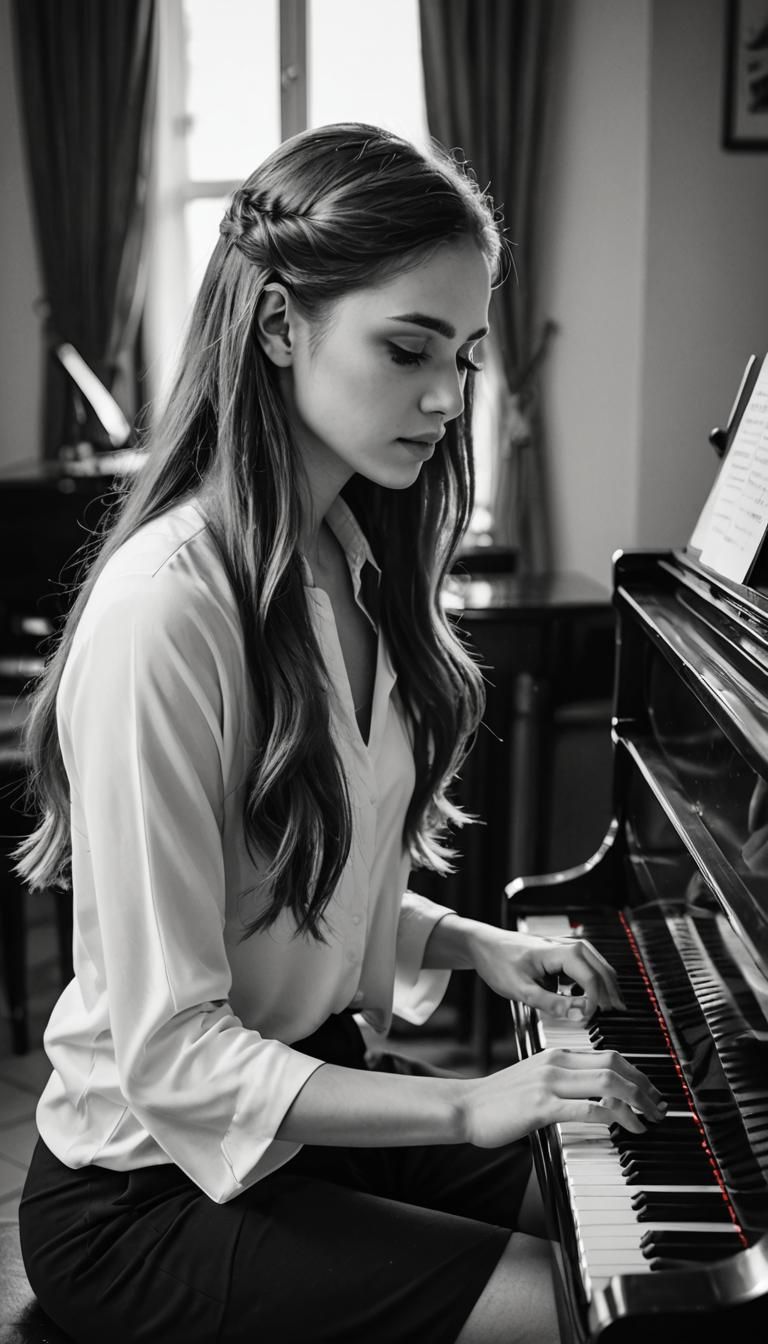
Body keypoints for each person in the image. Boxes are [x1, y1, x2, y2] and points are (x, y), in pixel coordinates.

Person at [15, 123, 665, 1344]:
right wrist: (476, 1107)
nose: (444, 397)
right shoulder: (169, 610)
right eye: (408, 348)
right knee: (588, 1317)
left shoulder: (353, 562)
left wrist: (465, 940)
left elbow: (289, 877)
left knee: (648, 1239)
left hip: (301, 1116)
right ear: (278, 329)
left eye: (465, 358)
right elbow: (173, 1051)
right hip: (143, 1194)